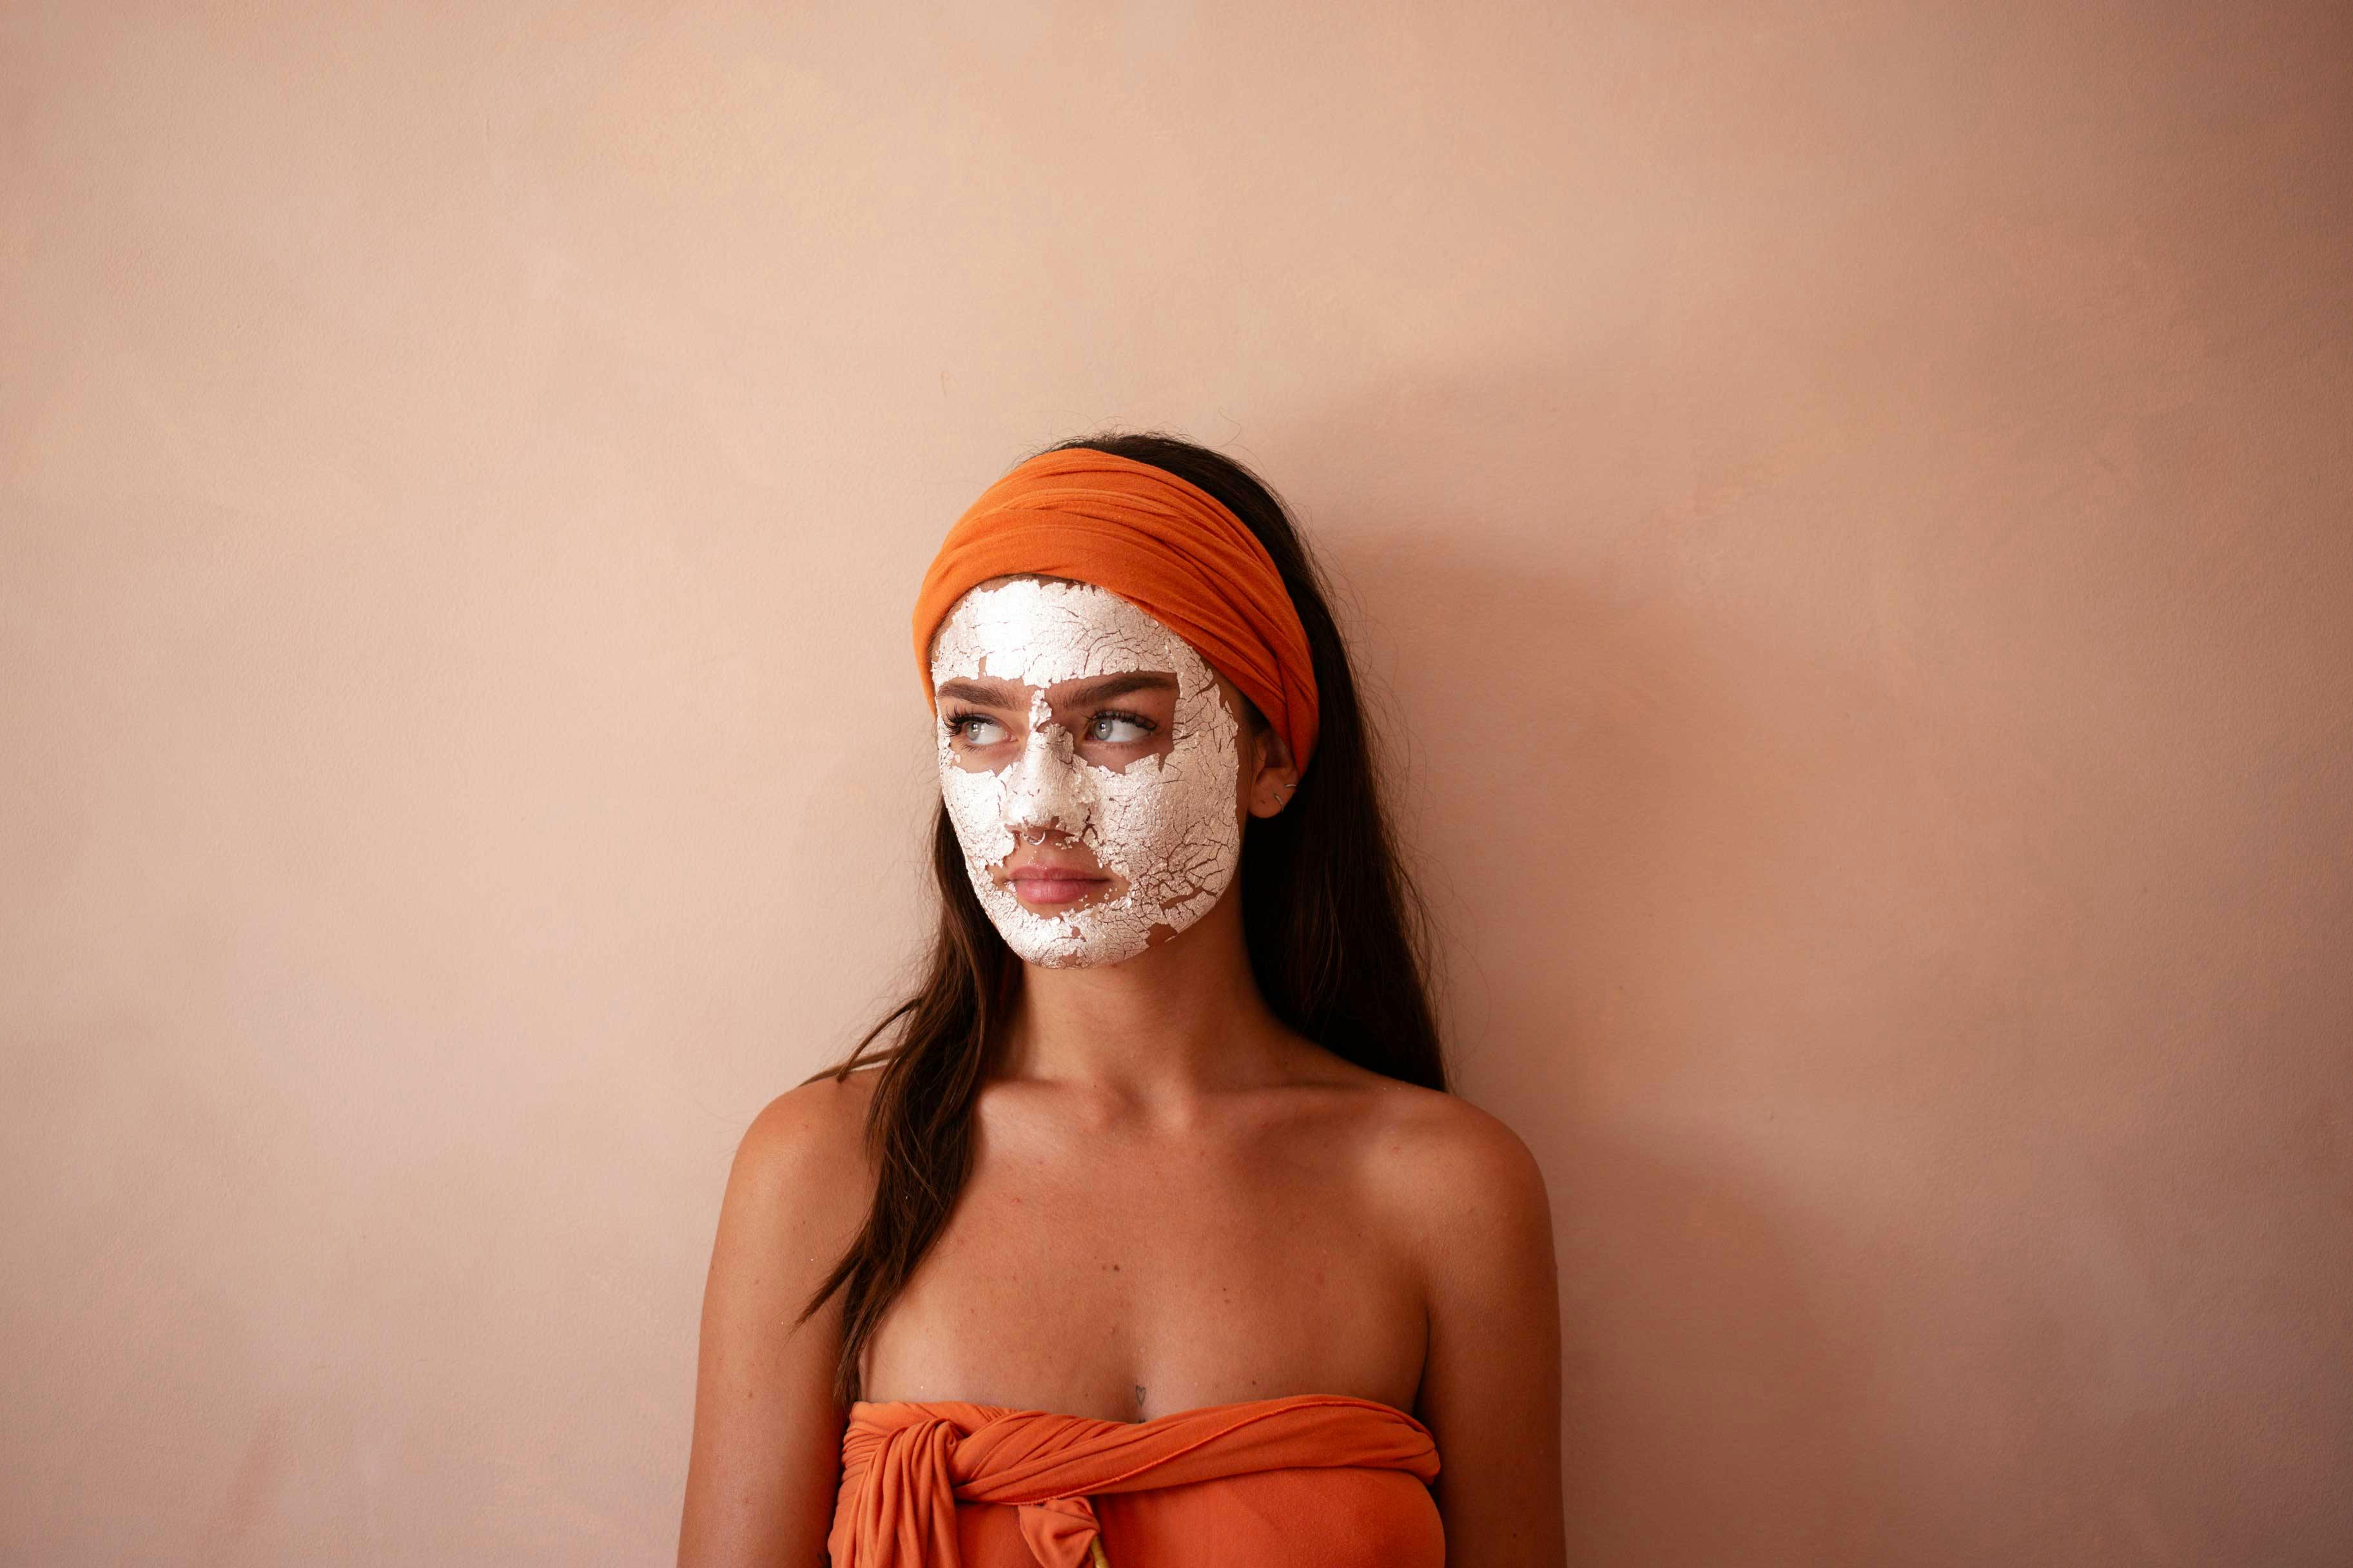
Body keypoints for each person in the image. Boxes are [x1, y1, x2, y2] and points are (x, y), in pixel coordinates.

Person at [677, 434, 1565, 1567]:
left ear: (1270, 757)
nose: (1036, 806)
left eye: (1115, 722)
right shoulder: (821, 1165)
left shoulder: (1447, 1188)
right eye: (975, 724)